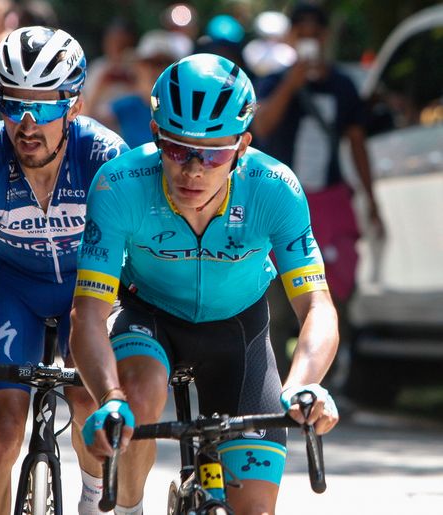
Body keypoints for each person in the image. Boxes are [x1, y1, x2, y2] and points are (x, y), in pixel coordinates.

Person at [69, 53, 340, 515]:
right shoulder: (119, 185)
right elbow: (89, 312)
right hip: (148, 317)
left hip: (239, 331)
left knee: (254, 509)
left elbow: (316, 304)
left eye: (213, 153)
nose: (193, 169)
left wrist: (303, 386)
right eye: (176, 149)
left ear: (242, 146)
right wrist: (110, 398)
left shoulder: (274, 187)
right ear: (156, 136)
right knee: (136, 400)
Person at [0, 26, 129, 515]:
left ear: (75, 104)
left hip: (89, 291)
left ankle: (95, 496)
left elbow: (135, 266)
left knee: (89, 402)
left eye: (47, 106)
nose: (29, 124)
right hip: (10, 288)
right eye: (14, 104)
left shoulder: (106, 159)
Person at [251, 2, 383, 380]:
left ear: (325, 37)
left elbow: (357, 142)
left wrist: (371, 198)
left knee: (334, 289)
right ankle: (271, 384)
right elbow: (262, 126)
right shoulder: (275, 80)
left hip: (328, 202)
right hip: (278, 204)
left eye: (315, 34)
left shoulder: (342, 85)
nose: (309, 40)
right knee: (275, 300)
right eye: (301, 34)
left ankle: (325, 380)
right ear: (291, 37)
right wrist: (293, 82)